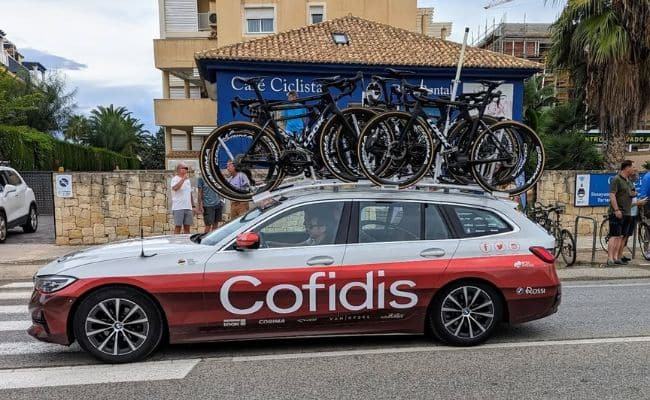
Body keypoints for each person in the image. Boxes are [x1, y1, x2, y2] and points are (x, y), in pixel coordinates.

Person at [607, 160, 636, 266]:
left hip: (627, 212)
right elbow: (612, 195)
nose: (634, 169)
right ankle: (610, 258)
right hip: (618, 212)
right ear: (627, 168)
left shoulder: (628, 181)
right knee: (614, 235)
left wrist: (633, 194)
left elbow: (628, 193)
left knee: (621, 236)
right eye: (633, 167)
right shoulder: (616, 179)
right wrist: (616, 210)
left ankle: (616, 258)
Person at [621, 170, 647, 262]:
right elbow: (625, 203)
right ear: (632, 176)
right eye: (636, 176)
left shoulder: (632, 185)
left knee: (627, 235)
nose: (638, 178)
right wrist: (638, 203)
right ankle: (618, 255)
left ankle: (620, 254)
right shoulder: (627, 185)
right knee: (623, 235)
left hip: (633, 213)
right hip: (627, 213)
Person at [170, 162, 196, 234]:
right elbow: (175, 188)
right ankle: (176, 244)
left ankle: (186, 244)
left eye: (186, 168)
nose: (186, 169)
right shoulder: (175, 179)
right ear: (178, 169)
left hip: (188, 207)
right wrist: (183, 179)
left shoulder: (188, 180)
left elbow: (190, 193)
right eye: (184, 168)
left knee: (187, 228)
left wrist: (193, 206)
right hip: (178, 207)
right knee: (178, 227)